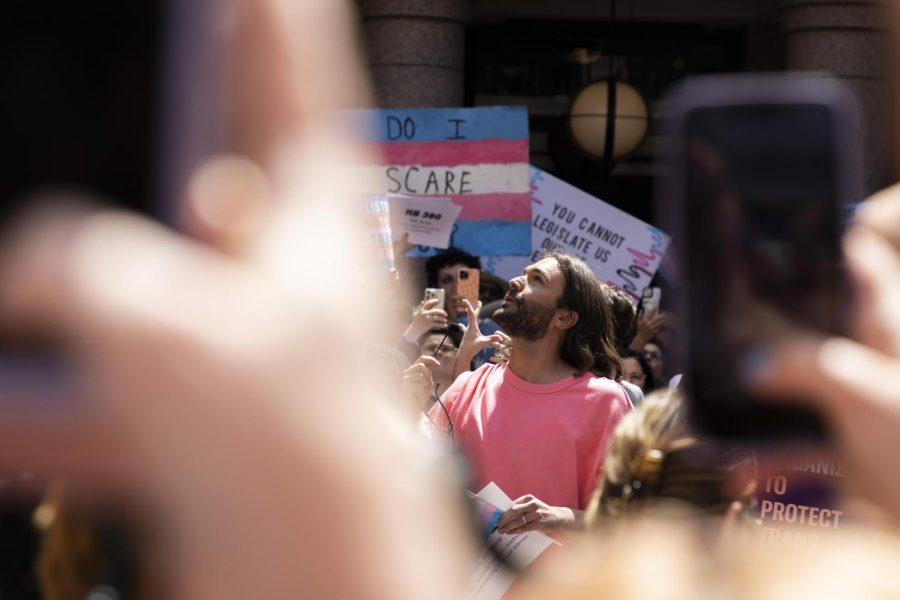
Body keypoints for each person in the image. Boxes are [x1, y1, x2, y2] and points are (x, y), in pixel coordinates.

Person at [413, 251, 632, 534]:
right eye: (524, 274)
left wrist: (564, 517)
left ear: (564, 318)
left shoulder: (606, 401)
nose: (515, 281)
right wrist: (408, 406)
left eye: (536, 280)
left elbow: (634, 518)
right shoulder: (469, 385)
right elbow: (411, 475)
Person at [424, 248, 502, 368]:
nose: (456, 288)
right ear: (436, 287)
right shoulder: (422, 327)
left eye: (464, 278)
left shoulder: (490, 330)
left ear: (475, 284)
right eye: (447, 280)